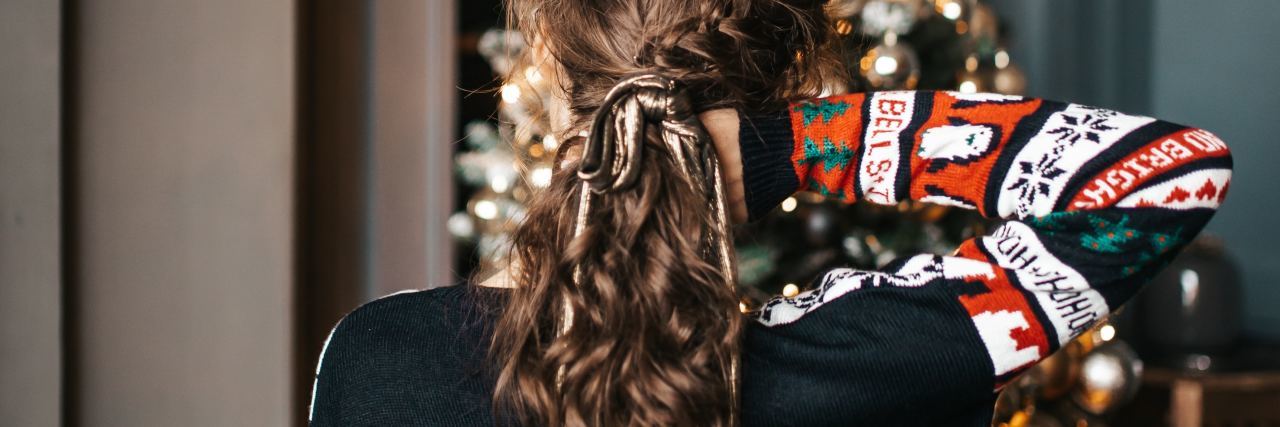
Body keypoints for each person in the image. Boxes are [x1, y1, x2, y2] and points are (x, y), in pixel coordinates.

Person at [308, 0, 1233, 425]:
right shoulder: (875, 360)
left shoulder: (377, 360)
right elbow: (1164, 177)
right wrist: (782, 148)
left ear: (545, 78)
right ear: (771, 92)